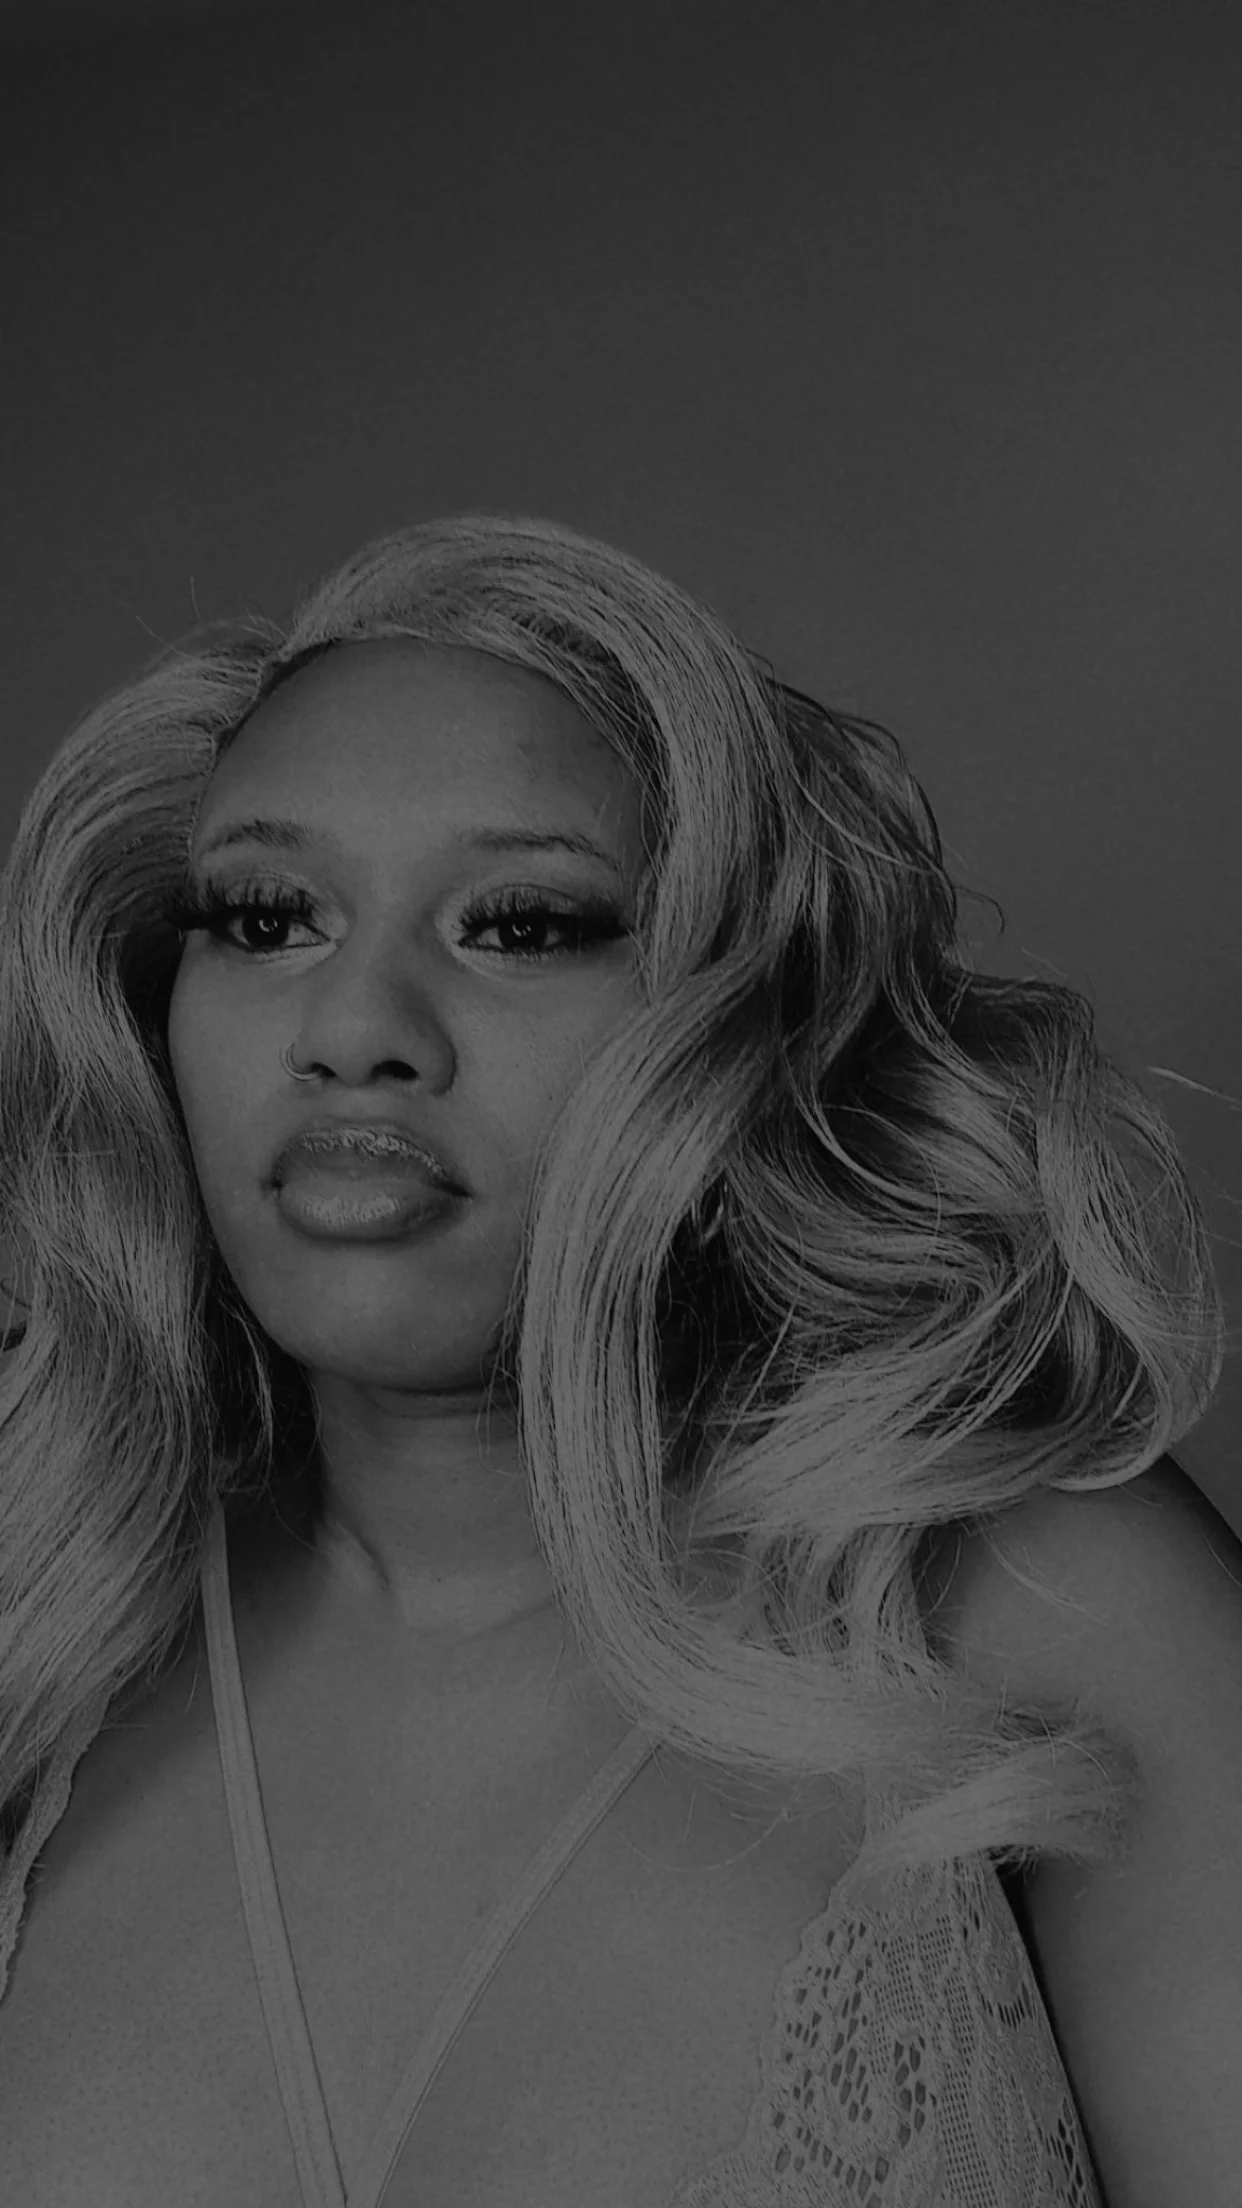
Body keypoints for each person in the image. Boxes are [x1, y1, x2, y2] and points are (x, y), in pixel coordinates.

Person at [0, 511, 1237, 2207]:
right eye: (268, 915)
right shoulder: (39, 1612)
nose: (353, 1029)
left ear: (735, 1019)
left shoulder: (1033, 1603)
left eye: (519, 925)